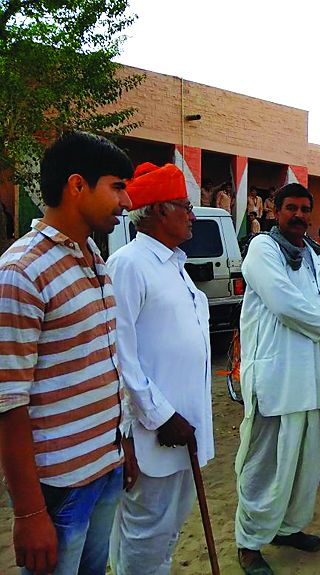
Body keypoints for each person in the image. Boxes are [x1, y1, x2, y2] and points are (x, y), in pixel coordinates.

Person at [0, 131, 134, 574]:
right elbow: (7, 402)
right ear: (78, 185)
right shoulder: (21, 273)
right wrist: (29, 514)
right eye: (117, 186)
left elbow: (103, 365)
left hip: (105, 467)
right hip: (59, 488)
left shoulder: (92, 255)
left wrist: (121, 447)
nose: (127, 200)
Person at [234, 183, 320, 575]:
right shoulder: (262, 249)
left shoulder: (312, 256)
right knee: (264, 463)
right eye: (291, 208)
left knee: (303, 463)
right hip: (274, 377)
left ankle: (287, 528)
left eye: (306, 209)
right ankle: (249, 544)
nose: (299, 216)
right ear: (275, 209)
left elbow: (317, 306)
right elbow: (288, 305)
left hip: (308, 378)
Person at [107, 163, 214, 574]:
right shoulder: (129, 264)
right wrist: (160, 415)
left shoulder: (172, 264)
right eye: (184, 206)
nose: (192, 214)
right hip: (157, 433)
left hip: (184, 431)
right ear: (155, 211)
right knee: (144, 533)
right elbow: (120, 352)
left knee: (167, 531)